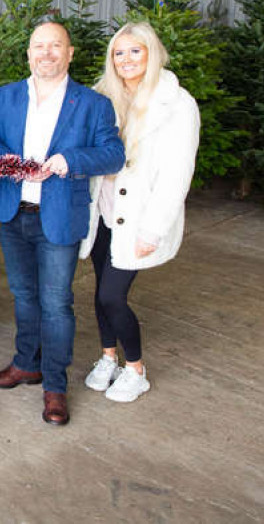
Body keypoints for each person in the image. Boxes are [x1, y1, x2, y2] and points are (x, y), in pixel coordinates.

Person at [0, 21, 125, 426]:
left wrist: (70, 161)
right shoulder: (7, 96)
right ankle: (26, 363)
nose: (46, 53)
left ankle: (55, 387)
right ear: (28, 53)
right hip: (14, 213)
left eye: (55, 46)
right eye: (38, 46)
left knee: (57, 304)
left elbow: (113, 154)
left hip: (58, 218)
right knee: (24, 297)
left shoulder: (92, 104)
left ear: (70, 53)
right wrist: (2, 156)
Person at [79, 22, 200, 403]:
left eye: (135, 51)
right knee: (100, 292)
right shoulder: (103, 96)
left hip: (137, 218)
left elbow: (178, 173)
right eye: (119, 53)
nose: (126, 60)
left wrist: (154, 229)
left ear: (152, 53)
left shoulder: (176, 104)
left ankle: (135, 369)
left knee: (114, 296)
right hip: (102, 212)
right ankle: (107, 358)